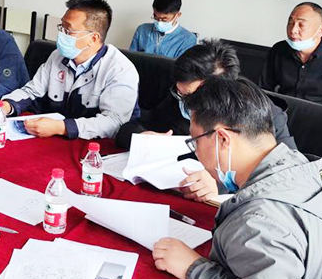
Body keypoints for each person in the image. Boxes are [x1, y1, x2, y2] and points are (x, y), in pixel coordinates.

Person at [152, 77, 322, 279]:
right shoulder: (301, 167)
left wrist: (193, 268)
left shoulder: (259, 222)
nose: (197, 152)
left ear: (223, 139)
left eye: (196, 141)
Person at [116, 39, 297, 203]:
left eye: (192, 97)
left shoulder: (266, 115)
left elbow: (285, 176)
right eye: (180, 94)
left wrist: (218, 182)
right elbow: (131, 127)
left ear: (222, 90)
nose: (186, 105)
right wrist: (142, 137)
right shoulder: (179, 99)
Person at [0, 0, 139, 139]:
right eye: (61, 27)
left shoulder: (120, 70)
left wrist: (62, 127)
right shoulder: (57, 56)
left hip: (96, 146)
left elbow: (113, 122)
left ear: (93, 38)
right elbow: (32, 91)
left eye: (68, 30)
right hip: (57, 140)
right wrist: (6, 106)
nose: (61, 35)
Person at [260, 2, 322, 111]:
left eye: (301, 25)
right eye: (290, 23)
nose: (293, 30)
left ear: (320, 30)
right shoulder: (279, 50)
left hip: (320, 117)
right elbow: (263, 90)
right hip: (282, 113)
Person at [129, 0, 197, 58]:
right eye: (156, 17)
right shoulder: (142, 30)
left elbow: (184, 64)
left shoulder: (188, 39)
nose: (159, 22)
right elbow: (131, 58)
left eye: (164, 19)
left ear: (178, 15)